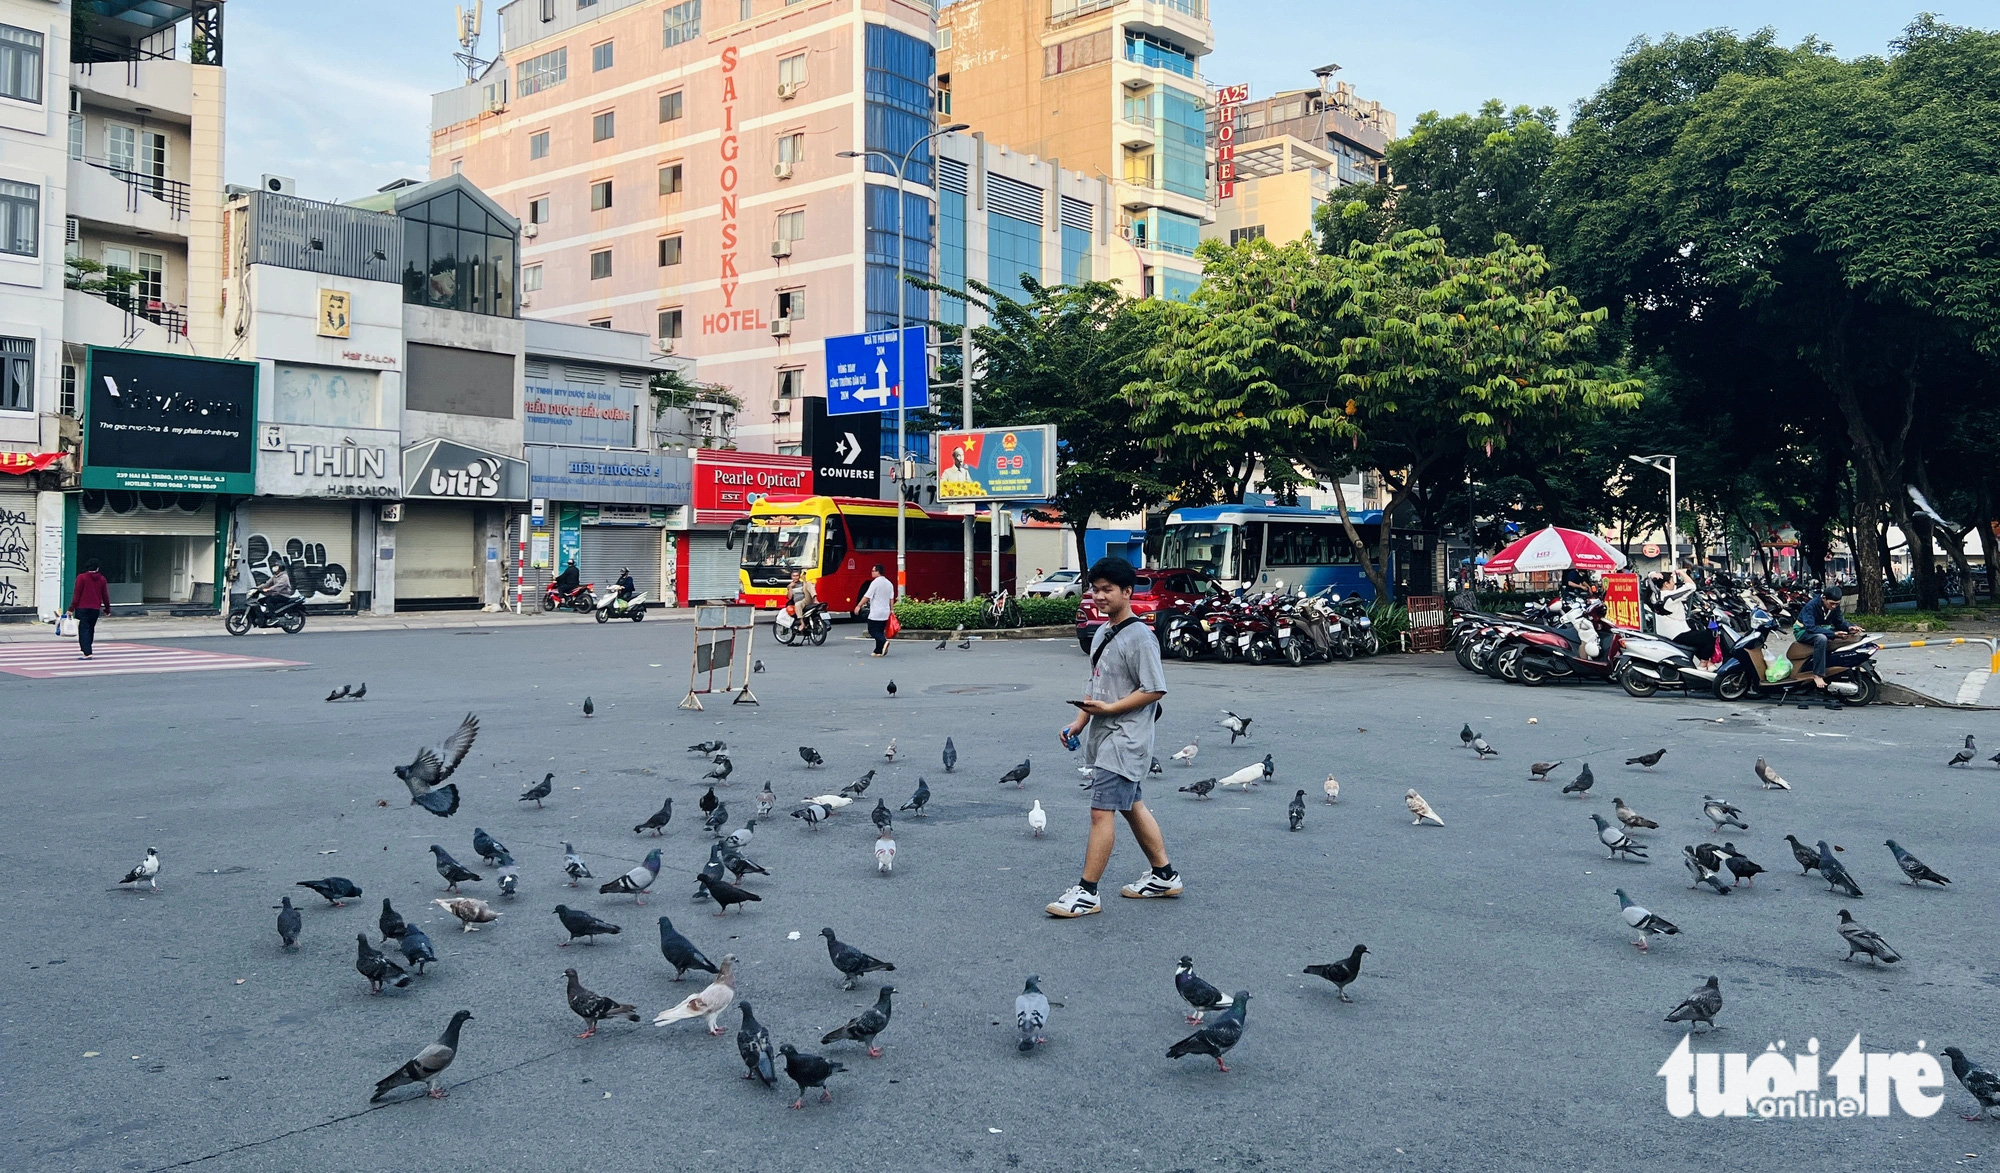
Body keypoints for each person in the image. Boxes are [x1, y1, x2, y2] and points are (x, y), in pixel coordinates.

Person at [1046, 556, 1181, 919]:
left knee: (1100, 811)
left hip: (1126, 739)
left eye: (1107, 590)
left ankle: (1087, 892)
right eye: (1095, 589)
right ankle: (1164, 876)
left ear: (1127, 591)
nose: (1099, 596)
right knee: (1130, 804)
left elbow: (1154, 690)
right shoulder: (1103, 633)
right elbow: (1095, 686)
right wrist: (1079, 723)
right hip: (1106, 735)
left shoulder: (1140, 637)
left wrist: (1111, 710)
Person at [1795, 584, 1864, 689]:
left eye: (1837, 604)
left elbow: (1839, 622)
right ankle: (1817, 674)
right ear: (1824, 598)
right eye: (1831, 603)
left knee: (1846, 636)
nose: (1834, 606)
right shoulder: (1811, 606)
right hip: (1803, 631)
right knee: (1821, 638)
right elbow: (1810, 627)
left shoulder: (1834, 607)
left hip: (1822, 629)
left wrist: (1850, 627)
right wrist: (1833, 634)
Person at [69, 559, 110, 660]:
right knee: (90, 629)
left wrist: (71, 608)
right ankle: (88, 649)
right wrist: (107, 609)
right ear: (97, 568)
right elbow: (105, 595)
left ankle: (87, 652)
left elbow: (77, 594)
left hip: (82, 608)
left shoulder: (81, 577)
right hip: (95, 608)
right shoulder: (102, 579)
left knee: (83, 629)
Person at [857, 563, 896, 656]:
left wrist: (859, 605)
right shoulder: (889, 583)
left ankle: (884, 642)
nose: (871, 573)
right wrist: (892, 610)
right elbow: (891, 599)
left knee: (872, 630)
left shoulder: (875, 583)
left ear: (878, 572)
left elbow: (867, 596)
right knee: (880, 631)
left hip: (876, 612)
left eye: (873, 571)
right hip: (885, 612)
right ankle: (878, 650)